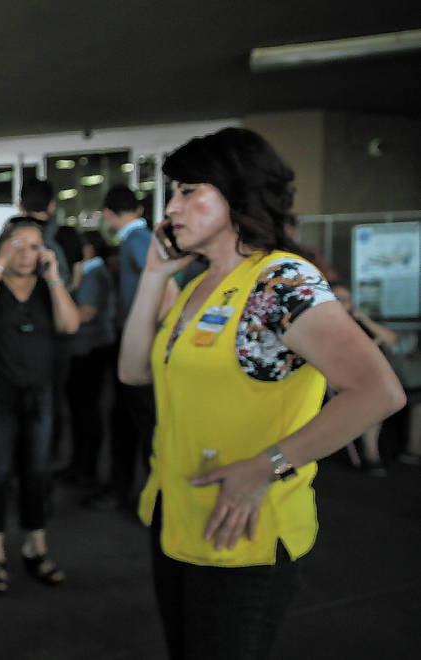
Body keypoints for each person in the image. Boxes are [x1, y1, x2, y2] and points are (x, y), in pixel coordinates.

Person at [118, 127, 405, 660]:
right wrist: (155, 276)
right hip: (180, 517)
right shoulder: (196, 286)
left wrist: (267, 466)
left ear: (237, 194)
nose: (170, 209)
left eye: (188, 191)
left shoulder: (281, 282)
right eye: (171, 193)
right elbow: (134, 370)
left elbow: (377, 392)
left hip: (243, 529)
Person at [0, 218, 80, 594]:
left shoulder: (48, 287)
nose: (26, 254)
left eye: (34, 246)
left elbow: (70, 325)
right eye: (18, 245)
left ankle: (36, 546)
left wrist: (57, 277)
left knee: (37, 472)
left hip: (40, 394)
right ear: (3, 247)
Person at [88, 184, 157, 511]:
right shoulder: (138, 240)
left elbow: (160, 282)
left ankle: (149, 495)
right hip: (135, 339)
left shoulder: (138, 242)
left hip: (139, 342)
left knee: (139, 420)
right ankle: (128, 489)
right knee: (127, 419)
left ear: (108, 214)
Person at [62, 230, 116, 487]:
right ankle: (81, 464)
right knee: (83, 411)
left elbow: (85, 313)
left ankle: (86, 468)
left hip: (90, 349)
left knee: (86, 412)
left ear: (87, 250)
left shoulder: (93, 275)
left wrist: (61, 310)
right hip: (86, 348)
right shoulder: (92, 273)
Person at [330, 282, 398, 476]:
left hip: (367, 377)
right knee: (372, 397)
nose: (341, 304)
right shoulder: (325, 323)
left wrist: (363, 318)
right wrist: (373, 346)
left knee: (378, 393)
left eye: (345, 300)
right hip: (341, 378)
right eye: (336, 299)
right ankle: (371, 454)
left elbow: (391, 339)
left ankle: (373, 452)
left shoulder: (357, 321)